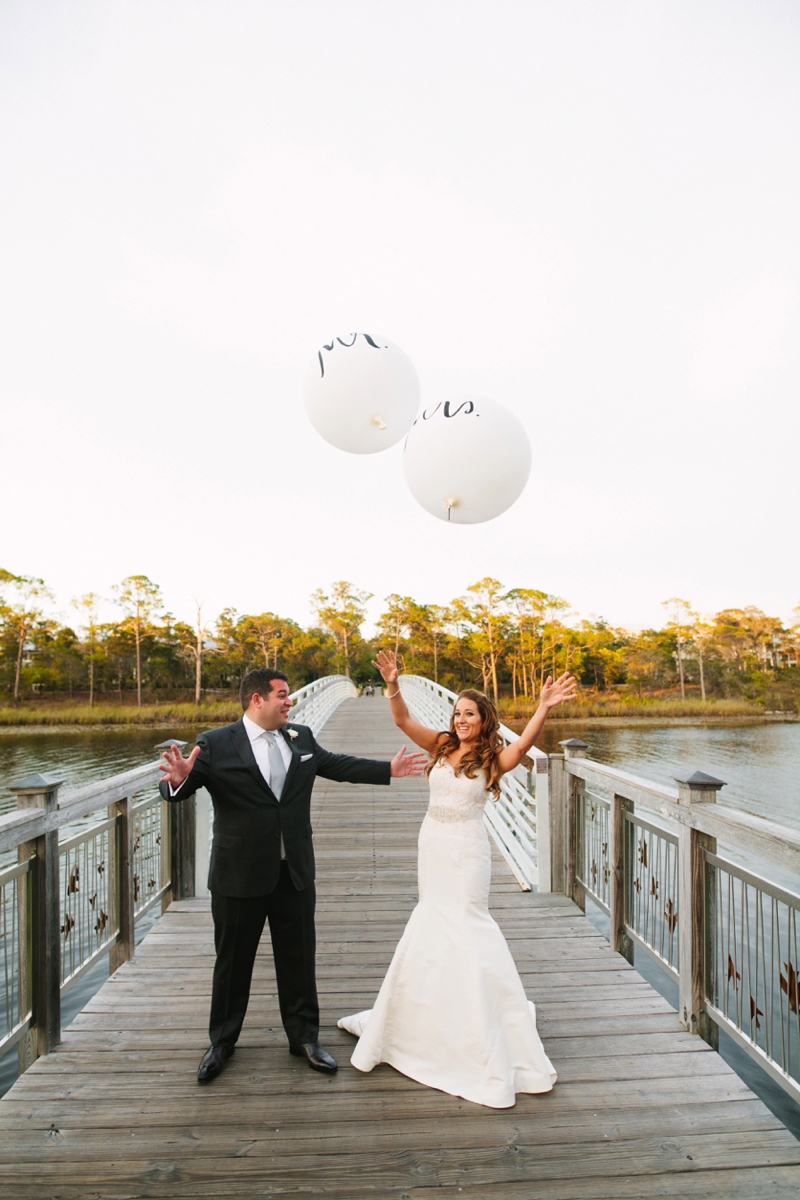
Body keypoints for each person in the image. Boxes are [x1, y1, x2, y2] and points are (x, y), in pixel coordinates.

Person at [158, 667, 426, 1084]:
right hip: (238, 876)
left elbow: (334, 764)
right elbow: (184, 784)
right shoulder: (215, 743)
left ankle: (304, 1039)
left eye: (289, 695)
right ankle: (222, 1043)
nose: (290, 701)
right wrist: (176, 783)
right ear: (257, 700)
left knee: (298, 958)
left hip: (294, 871)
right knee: (232, 963)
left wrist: (386, 770)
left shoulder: (299, 736)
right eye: (282, 695)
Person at [338, 651, 577, 1108]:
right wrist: (392, 683)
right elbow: (404, 720)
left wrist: (543, 706)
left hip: (468, 854)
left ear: (484, 720)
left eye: (469, 714)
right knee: (432, 921)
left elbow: (523, 748)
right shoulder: (443, 745)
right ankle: (428, 1017)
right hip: (432, 846)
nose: (460, 719)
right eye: (456, 713)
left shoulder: (493, 757)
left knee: (468, 923)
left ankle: (482, 1020)